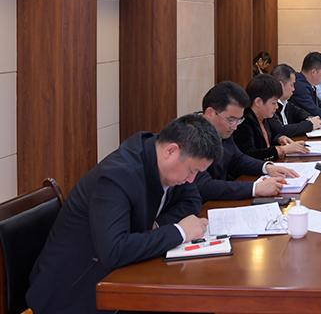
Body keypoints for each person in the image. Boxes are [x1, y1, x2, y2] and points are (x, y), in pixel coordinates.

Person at [27, 114, 220, 314]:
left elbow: (191, 200)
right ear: (171, 151)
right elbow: (114, 251)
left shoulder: (162, 161)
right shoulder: (117, 176)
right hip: (74, 292)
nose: (191, 180)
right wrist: (179, 232)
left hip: (119, 276)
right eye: (191, 171)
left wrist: (157, 226)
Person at [195, 81, 301, 201]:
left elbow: (238, 158)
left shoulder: (221, 129)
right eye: (231, 120)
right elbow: (203, 186)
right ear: (210, 113)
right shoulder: (192, 136)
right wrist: (255, 188)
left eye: (238, 120)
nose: (235, 127)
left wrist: (267, 167)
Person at [233, 74, 309, 161]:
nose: (276, 107)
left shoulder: (264, 117)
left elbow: (270, 139)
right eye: (273, 103)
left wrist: (279, 139)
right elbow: (249, 155)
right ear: (258, 102)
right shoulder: (244, 122)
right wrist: (282, 150)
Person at [271, 63, 321, 136]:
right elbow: (281, 130)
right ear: (280, 85)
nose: (293, 89)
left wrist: (310, 118)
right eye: (291, 85)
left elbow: (299, 113)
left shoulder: (286, 103)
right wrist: (310, 124)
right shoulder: (270, 105)